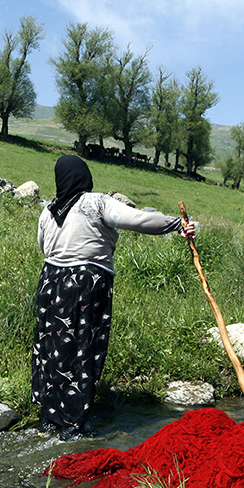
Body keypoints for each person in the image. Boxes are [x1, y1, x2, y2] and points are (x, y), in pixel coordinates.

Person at [32, 154, 195, 440]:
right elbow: (139, 220)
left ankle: (49, 417)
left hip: (50, 283)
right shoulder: (95, 203)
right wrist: (176, 224)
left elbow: (44, 247)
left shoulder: (48, 211)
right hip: (86, 285)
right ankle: (74, 423)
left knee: (52, 348)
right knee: (82, 348)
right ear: (85, 176)